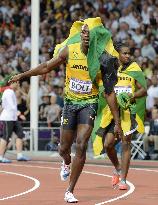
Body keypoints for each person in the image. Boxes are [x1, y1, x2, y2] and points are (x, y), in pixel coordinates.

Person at [9, 17, 122, 203]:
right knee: (63, 148)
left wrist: (117, 122)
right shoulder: (70, 50)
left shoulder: (102, 59)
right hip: (70, 103)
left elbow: (109, 93)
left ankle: (70, 190)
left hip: (89, 103)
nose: (85, 34)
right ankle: (66, 161)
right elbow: (46, 66)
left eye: (89, 32)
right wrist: (22, 76)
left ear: (94, 37)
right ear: (80, 35)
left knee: (82, 142)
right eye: (83, 31)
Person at [93, 42, 147, 190]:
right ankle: (117, 167)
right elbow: (103, 87)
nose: (128, 56)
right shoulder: (110, 69)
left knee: (126, 142)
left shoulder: (134, 68)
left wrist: (131, 96)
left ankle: (123, 179)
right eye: (125, 53)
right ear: (117, 54)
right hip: (111, 111)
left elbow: (143, 90)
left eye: (129, 53)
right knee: (108, 144)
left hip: (128, 112)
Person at [0, 81, 30, 163]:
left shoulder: (10, 91)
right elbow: (11, 106)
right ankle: (1, 156)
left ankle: (19, 155)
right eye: (17, 83)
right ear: (12, 83)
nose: (19, 85)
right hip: (7, 118)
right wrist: (20, 114)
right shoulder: (9, 92)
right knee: (6, 137)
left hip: (13, 118)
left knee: (20, 134)